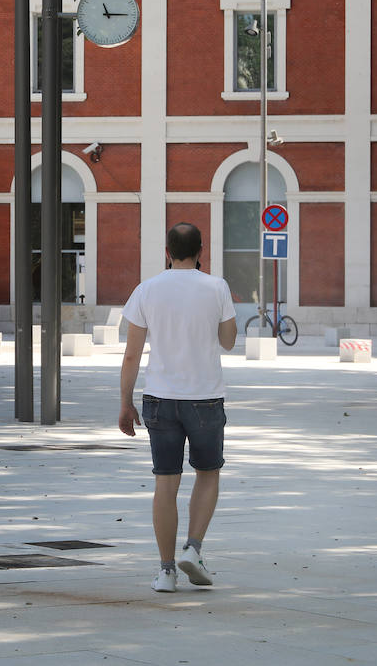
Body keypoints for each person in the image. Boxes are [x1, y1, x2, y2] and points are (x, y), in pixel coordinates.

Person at [118, 222, 239, 592]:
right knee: (208, 473)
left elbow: (131, 355)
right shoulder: (216, 286)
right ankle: (194, 548)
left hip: (159, 399)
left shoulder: (147, 289)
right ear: (201, 251)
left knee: (165, 483)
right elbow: (229, 341)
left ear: (167, 252)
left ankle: (166, 571)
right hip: (204, 397)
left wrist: (125, 403)